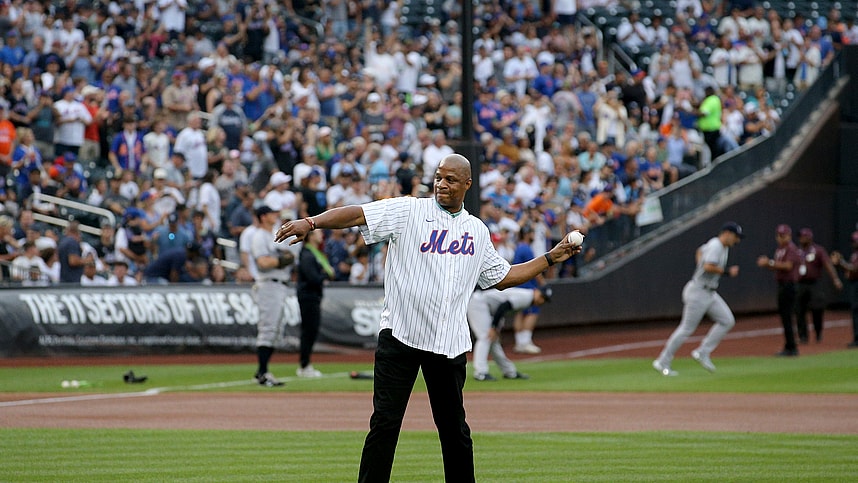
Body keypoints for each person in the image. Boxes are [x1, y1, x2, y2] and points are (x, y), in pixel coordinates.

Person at [274, 153, 581, 482]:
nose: (441, 184)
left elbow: (503, 276)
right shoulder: (409, 210)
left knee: (455, 432)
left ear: (467, 184)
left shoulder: (476, 231)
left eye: (450, 179)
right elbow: (358, 214)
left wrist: (551, 257)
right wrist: (311, 222)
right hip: (400, 336)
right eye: (438, 177)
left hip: (448, 343)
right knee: (385, 425)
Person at [653, 222, 744, 376]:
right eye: (735, 236)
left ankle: (703, 351)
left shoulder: (719, 245)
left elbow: (699, 252)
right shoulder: (716, 245)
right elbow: (708, 266)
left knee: (727, 320)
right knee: (686, 329)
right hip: (698, 292)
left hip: (709, 292)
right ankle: (662, 361)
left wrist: (700, 264)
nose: (737, 240)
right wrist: (727, 272)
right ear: (727, 233)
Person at [251, 205, 297, 387]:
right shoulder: (259, 236)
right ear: (263, 217)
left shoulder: (273, 234)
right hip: (268, 284)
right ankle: (262, 372)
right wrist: (280, 261)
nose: (274, 216)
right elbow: (263, 262)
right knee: (268, 328)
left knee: (275, 330)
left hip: (280, 285)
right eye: (271, 213)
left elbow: (290, 255)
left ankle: (262, 371)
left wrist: (282, 259)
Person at [466, 286, 550, 381]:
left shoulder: (528, 298)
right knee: (485, 337)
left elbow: (502, 308)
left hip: (489, 308)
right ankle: (480, 373)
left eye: (545, 299)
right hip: (479, 304)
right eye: (541, 297)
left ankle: (509, 372)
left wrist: (496, 327)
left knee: (493, 341)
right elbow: (503, 307)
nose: (542, 300)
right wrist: (493, 327)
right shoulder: (527, 297)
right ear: (536, 291)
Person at [756, 224, 802, 356]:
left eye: (784, 235)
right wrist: (768, 264)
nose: (781, 238)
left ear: (789, 235)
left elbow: (788, 266)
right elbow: (778, 267)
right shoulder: (780, 250)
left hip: (789, 285)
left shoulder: (791, 249)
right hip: (782, 284)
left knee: (787, 316)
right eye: (779, 235)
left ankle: (792, 347)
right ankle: (789, 346)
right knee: (784, 316)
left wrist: (769, 263)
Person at [295, 229, 335, 378]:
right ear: (310, 236)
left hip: (312, 296)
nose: (321, 235)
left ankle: (305, 364)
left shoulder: (313, 254)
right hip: (308, 296)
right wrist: (325, 274)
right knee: (309, 330)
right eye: (318, 233)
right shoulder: (307, 254)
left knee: (311, 330)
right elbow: (313, 278)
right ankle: (304, 365)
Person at [794, 228, 842, 343]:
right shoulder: (797, 251)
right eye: (800, 236)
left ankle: (818, 332)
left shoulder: (818, 250)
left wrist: (835, 279)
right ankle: (803, 336)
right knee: (799, 310)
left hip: (814, 283)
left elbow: (827, 265)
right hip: (800, 284)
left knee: (817, 308)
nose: (800, 239)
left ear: (809, 237)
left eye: (803, 236)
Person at [831, 230, 858, 348]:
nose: (853, 243)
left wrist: (840, 262)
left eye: (855, 241)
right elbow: (851, 270)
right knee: (855, 311)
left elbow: (855, 270)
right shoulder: (854, 254)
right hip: (854, 284)